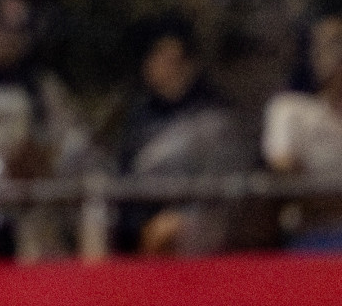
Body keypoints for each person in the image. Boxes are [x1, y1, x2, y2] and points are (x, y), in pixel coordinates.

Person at [113, 14, 247, 255]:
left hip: (191, 235)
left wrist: (178, 222)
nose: (157, 65)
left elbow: (222, 191)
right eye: (153, 56)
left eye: (169, 59)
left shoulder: (214, 119)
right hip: (135, 231)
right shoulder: (138, 117)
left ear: (190, 64)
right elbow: (123, 178)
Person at [263, 15, 342, 248]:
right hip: (312, 237)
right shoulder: (290, 109)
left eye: (338, 44)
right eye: (324, 46)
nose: (333, 55)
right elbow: (284, 169)